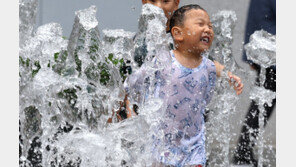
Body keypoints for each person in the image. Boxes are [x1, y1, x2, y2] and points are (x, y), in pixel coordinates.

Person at [124, 5, 243, 166]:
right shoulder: (164, 60)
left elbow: (218, 68)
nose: (208, 29)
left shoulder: (206, 65)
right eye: (200, 24)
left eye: (210, 26)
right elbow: (134, 82)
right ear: (178, 34)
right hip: (162, 144)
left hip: (194, 146)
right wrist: (131, 108)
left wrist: (231, 77)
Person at [232, 0, 276, 166]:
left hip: (268, 52)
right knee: (263, 103)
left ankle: (243, 151)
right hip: (272, 54)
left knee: (263, 102)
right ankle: (243, 152)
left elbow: (255, 17)